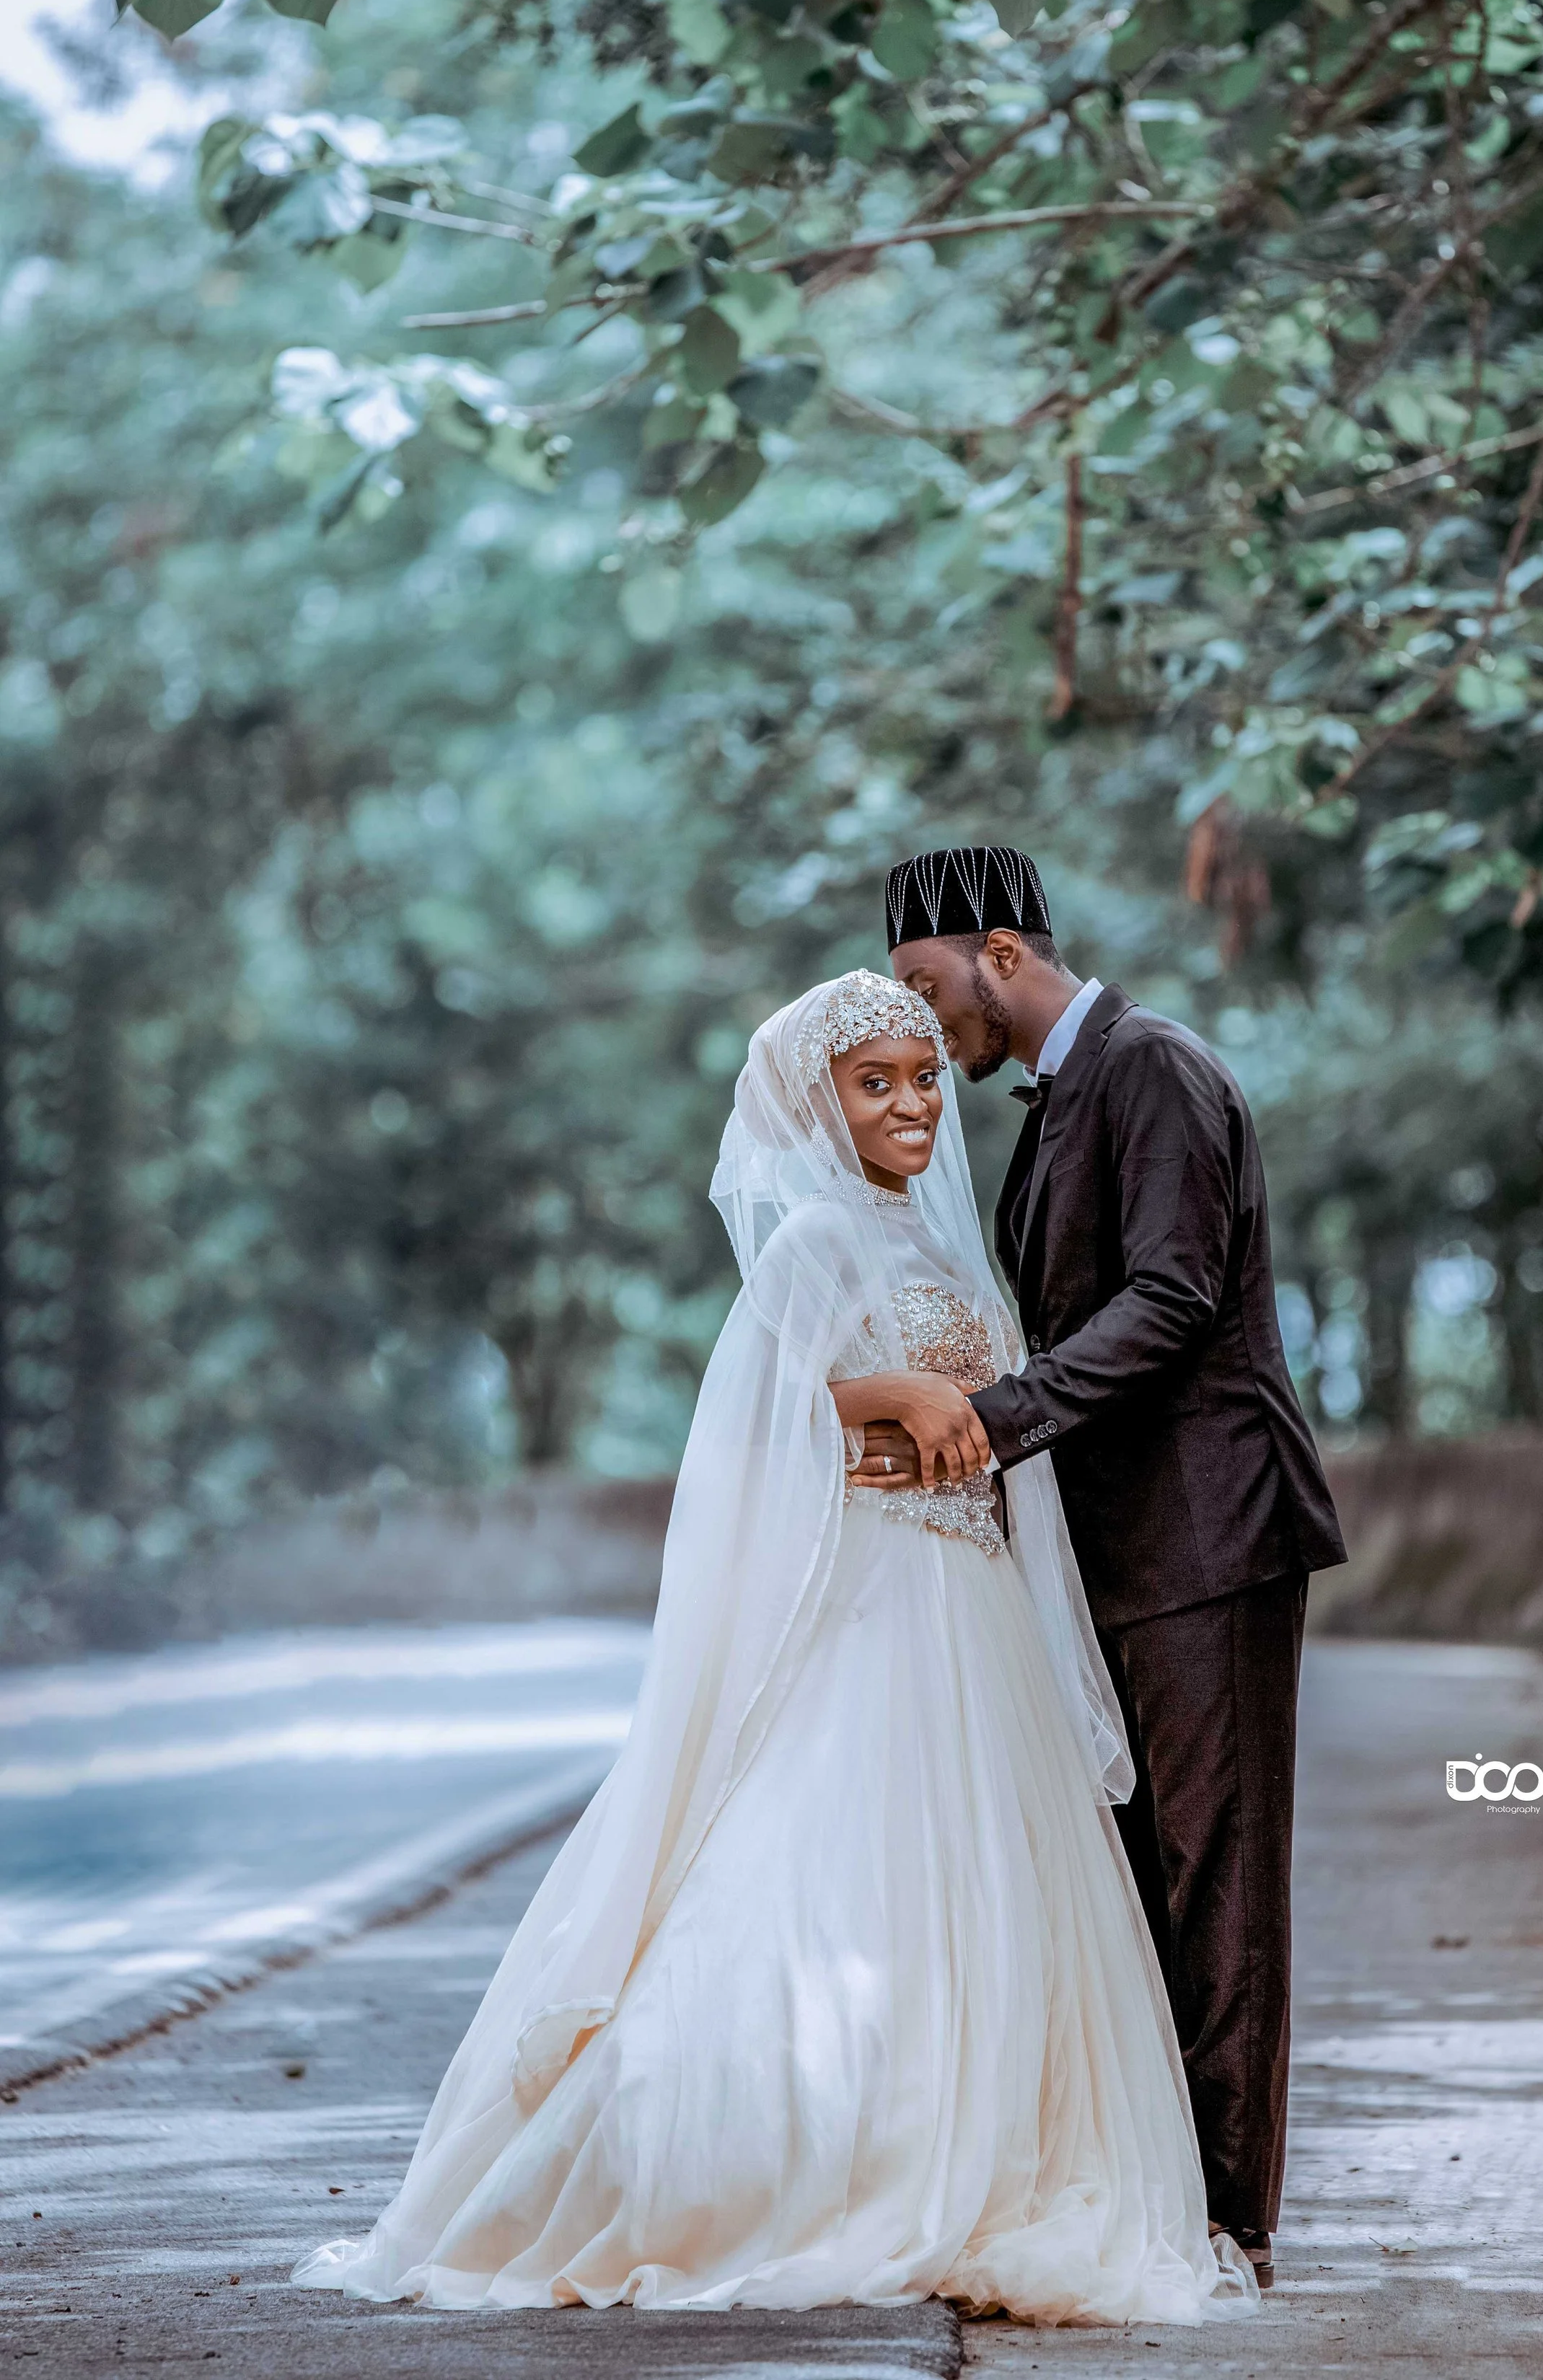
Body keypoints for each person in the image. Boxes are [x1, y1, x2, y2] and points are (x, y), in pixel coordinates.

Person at [293, 970, 1260, 2324]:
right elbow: (756, 1407)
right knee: (828, 1870)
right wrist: (887, 1393)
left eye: (926, 1077)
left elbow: (998, 1422)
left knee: (984, 1885)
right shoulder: (811, 1239)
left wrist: (956, 1418)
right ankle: (788, 2154)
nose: (916, 1103)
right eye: (878, 1083)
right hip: (874, 1598)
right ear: (820, 1101)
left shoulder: (943, 1248)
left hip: (972, 1608)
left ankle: (966, 2144)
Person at [871, 848, 1349, 2293]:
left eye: (919, 983)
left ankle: (1229, 2224)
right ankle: (1160, 2196)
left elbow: (1170, 1298)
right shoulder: (1065, 1097)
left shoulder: (1149, 1068)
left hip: (1208, 1534)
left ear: (999, 950)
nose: (915, 1018)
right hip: (1123, 1545)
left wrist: (991, 1423)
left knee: (1215, 1878)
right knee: (1137, 1874)